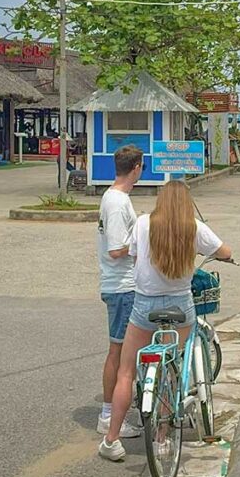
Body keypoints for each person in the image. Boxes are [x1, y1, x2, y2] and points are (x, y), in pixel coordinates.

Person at [99, 180, 233, 461]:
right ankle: (162, 439)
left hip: (144, 305)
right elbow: (226, 251)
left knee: (126, 372)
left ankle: (111, 440)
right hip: (181, 306)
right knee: (172, 368)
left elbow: (135, 260)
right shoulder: (193, 227)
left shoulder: (144, 223)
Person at [96, 145, 144, 439]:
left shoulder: (118, 199)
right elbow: (116, 249)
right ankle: (109, 415)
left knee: (126, 352)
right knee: (120, 352)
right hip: (121, 286)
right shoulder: (116, 202)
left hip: (125, 284)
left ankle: (116, 409)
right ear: (137, 167)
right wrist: (141, 242)